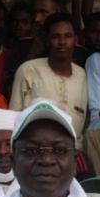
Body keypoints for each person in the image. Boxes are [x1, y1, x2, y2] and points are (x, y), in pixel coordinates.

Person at [11, 12, 88, 149]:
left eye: (68, 36)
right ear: (46, 41)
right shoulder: (28, 70)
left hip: (73, 154)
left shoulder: (83, 76)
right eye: (56, 37)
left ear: (76, 40)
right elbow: (13, 117)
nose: (62, 42)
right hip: (34, 151)